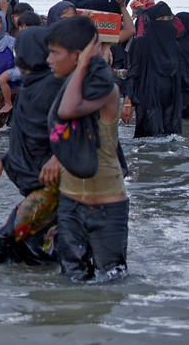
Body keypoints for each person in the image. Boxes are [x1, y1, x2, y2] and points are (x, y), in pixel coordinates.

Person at [46, 17, 129, 282]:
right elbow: (68, 132)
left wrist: (83, 66)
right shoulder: (68, 86)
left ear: (77, 56)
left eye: (55, 53)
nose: (49, 59)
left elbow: (67, 111)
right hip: (71, 200)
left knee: (111, 280)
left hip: (107, 203)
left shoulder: (106, 89)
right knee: (71, 281)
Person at [0, 26, 61, 265]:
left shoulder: (54, 88)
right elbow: (25, 135)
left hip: (50, 186)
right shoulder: (29, 86)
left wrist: (58, 157)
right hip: (34, 182)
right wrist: (3, 161)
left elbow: (68, 129)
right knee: (32, 248)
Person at [126, 2, 189, 137]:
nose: (166, 22)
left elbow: (183, 75)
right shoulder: (141, 43)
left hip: (172, 101)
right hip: (149, 99)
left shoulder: (174, 45)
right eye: (161, 19)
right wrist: (127, 101)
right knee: (151, 139)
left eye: (169, 18)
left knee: (172, 139)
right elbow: (133, 72)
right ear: (153, 21)